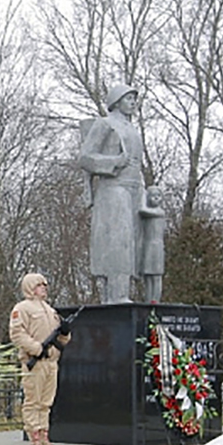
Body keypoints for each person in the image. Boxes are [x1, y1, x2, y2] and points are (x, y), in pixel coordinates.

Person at [79, 84, 145, 304]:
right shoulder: (105, 124)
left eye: (135, 99)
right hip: (113, 189)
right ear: (116, 101)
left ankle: (119, 295)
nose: (133, 103)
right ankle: (117, 296)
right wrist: (114, 162)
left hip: (134, 188)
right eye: (129, 98)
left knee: (131, 242)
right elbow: (86, 158)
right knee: (118, 240)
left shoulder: (132, 129)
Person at [9, 273, 71, 445]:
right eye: (39, 284)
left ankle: (45, 438)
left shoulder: (50, 310)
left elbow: (61, 339)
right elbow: (17, 334)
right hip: (34, 362)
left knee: (46, 403)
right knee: (33, 401)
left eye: (45, 284)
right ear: (30, 287)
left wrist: (66, 333)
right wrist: (36, 349)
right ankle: (34, 440)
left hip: (51, 362)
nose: (44, 287)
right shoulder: (22, 308)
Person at [138, 185, 166, 303]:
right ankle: (148, 300)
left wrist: (142, 193)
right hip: (147, 245)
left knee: (156, 276)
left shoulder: (159, 212)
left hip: (157, 246)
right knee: (148, 276)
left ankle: (156, 301)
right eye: (153, 196)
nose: (156, 198)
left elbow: (142, 210)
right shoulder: (147, 215)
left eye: (158, 196)